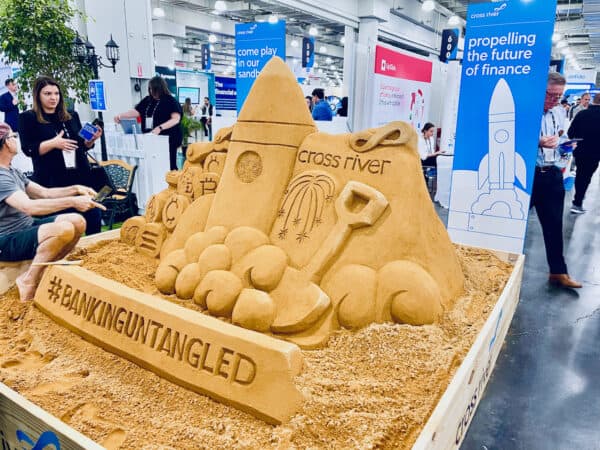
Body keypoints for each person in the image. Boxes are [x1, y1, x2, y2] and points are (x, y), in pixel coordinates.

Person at [0, 122, 105, 301]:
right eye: (13, 136)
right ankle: (28, 280)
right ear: (6, 143)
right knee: (63, 229)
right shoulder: (2, 177)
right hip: (6, 239)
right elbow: (29, 206)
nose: (16, 139)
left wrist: (76, 189)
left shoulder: (12, 170)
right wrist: (73, 201)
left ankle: (53, 268)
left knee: (78, 221)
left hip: (26, 227)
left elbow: (44, 193)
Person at [18, 76, 103, 235]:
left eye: (56, 93)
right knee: (64, 229)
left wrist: (90, 141)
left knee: (93, 218)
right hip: (52, 182)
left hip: (80, 177)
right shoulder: (28, 118)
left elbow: (80, 145)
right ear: (38, 96)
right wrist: (53, 143)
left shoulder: (71, 115)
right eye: (48, 94)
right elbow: (29, 149)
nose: (53, 98)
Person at [532, 72, 581, 288]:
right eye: (551, 95)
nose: (554, 100)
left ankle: (558, 272)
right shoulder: (527, 110)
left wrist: (566, 145)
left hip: (551, 173)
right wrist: (538, 141)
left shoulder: (559, 112)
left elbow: (561, 136)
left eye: (559, 96)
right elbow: (514, 137)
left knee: (554, 225)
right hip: (528, 175)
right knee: (511, 224)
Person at [115, 76, 182, 170]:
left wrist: (160, 128)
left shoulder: (171, 101)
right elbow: (136, 112)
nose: (151, 91)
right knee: (153, 165)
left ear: (160, 88)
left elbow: (175, 119)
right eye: (150, 89)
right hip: (149, 138)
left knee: (169, 163)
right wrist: (121, 116)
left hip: (168, 139)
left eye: (153, 89)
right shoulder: (147, 100)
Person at [567, 92, 600, 214]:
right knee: (586, 177)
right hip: (595, 153)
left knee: (581, 175)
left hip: (580, 151)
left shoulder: (582, 114)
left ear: (593, 101)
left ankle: (578, 200)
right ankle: (578, 201)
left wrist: (580, 140)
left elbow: (570, 133)